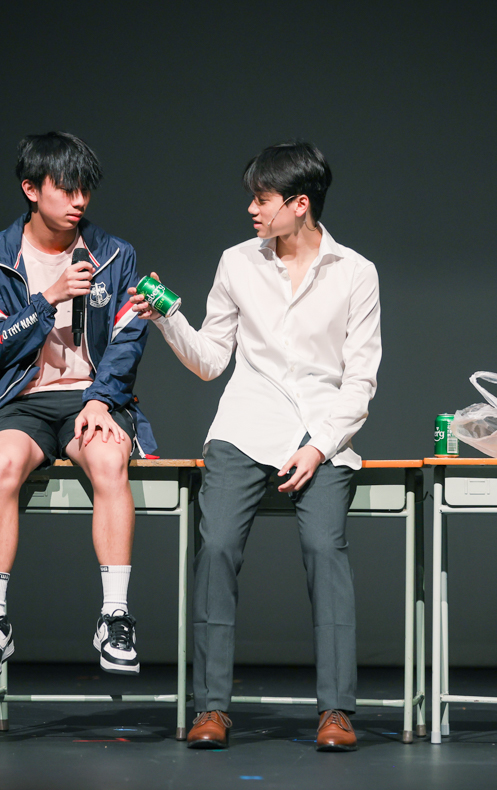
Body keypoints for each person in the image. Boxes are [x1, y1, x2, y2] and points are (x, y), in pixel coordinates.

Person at [129, 141, 381, 751]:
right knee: (215, 546)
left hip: (321, 431)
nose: (252, 208)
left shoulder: (355, 272)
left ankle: (336, 712)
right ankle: (212, 708)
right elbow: (212, 361)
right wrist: (165, 317)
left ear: (300, 204)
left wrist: (318, 447)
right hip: (245, 425)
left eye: (263, 198)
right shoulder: (236, 263)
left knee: (325, 549)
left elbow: (360, 380)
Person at [0, 132, 157, 682]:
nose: (78, 201)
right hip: (22, 400)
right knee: (1, 464)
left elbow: (128, 338)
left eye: (84, 190)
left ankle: (115, 617)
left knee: (110, 459)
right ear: (31, 189)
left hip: (91, 398)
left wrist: (101, 400)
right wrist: (47, 299)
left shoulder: (114, 253)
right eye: (66, 189)